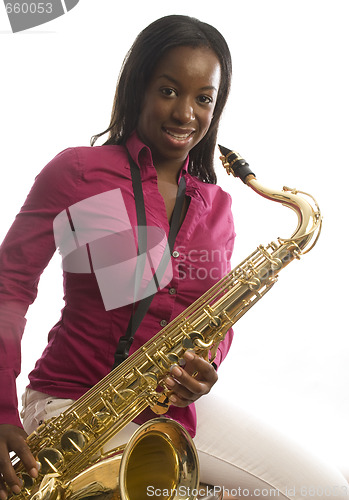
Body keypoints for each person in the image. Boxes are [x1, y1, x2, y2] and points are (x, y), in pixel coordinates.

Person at [0, 15, 348, 500]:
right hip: (74, 403)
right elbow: (9, 290)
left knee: (324, 488)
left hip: (167, 409)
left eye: (203, 98)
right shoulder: (81, 173)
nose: (186, 113)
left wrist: (207, 365)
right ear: (138, 87)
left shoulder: (217, 205)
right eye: (168, 90)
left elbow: (217, 319)